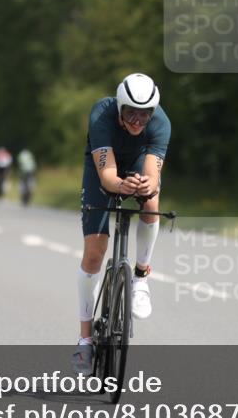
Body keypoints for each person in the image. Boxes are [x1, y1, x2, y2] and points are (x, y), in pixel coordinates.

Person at [72, 73, 170, 375]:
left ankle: (140, 278)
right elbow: (108, 176)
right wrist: (120, 185)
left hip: (138, 161)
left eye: (145, 113)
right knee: (94, 253)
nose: (139, 120)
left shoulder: (160, 123)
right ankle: (85, 339)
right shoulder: (101, 114)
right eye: (131, 113)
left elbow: (153, 175)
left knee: (152, 203)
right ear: (119, 107)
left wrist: (145, 186)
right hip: (105, 168)